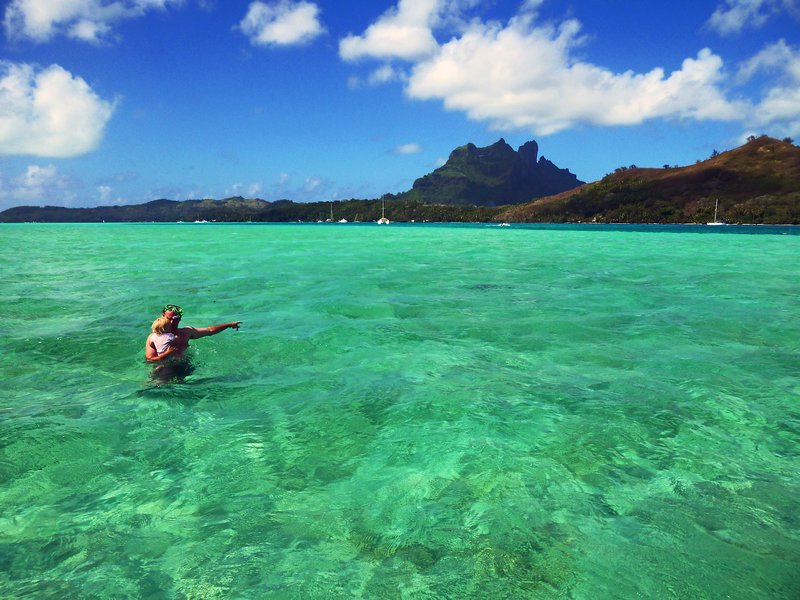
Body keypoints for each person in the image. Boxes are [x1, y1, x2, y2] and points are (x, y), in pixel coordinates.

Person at [145, 304, 241, 362]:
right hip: (164, 366)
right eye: (168, 319)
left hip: (184, 365)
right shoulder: (153, 337)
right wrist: (166, 354)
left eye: (175, 319)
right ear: (162, 316)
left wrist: (229, 324)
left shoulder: (186, 332)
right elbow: (149, 360)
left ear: (180, 318)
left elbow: (210, 330)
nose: (171, 322)